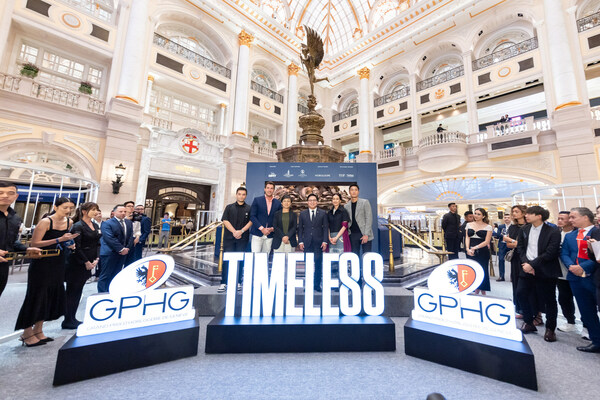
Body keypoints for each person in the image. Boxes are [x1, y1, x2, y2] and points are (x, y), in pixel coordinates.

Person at [15, 197, 78, 347]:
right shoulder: (46, 222)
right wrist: (59, 239)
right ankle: (26, 332)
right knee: (36, 296)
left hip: (58, 261)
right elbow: (35, 243)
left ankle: (39, 330)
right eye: (65, 207)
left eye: (71, 208)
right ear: (56, 207)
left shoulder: (70, 222)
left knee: (49, 295)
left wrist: (69, 243)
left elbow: (64, 240)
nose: (68, 211)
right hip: (41, 263)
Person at [516, 206, 561, 342]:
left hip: (545, 269)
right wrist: (526, 263)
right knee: (520, 294)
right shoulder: (524, 229)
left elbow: (551, 252)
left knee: (549, 300)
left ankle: (550, 329)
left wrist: (533, 264)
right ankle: (529, 322)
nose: (526, 216)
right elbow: (520, 247)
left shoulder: (553, 231)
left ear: (539, 216)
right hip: (526, 268)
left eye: (530, 214)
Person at [560, 207, 600, 353]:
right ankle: (596, 341)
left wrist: (583, 267)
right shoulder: (570, 236)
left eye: (573, 217)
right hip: (575, 278)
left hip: (594, 276)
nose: (570, 220)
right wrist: (571, 266)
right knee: (586, 310)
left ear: (585, 217)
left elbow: (597, 255)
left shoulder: (597, 232)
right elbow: (564, 252)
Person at [0, 182, 41, 299]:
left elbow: (12, 241)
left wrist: (27, 248)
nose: (5, 196)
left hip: (3, 266)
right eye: (0, 193)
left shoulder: (15, 218)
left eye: (10, 193)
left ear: (16, 196)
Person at [63, 202, 101, 329]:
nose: (96, 212)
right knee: (72, 291)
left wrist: (96, 258)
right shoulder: (78, 226)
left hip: (90, 261)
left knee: (78, 290)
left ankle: (72, 317)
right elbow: (77, 247)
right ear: (84, 211)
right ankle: (68, 319)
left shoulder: (95, 225)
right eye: (93, 209)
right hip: (77, 263)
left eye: (97, 209)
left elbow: (97, 244)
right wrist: (86, 261)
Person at [219, 187, 252, 293]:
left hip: (242, 238)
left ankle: (238, 282)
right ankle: (224, 283)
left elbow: (251, 222)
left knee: (240, 260)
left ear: (245, 196)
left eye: (243, 194)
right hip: (229, 238)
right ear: (236, 195)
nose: (241, 196)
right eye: (239, 194)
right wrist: (234, 232)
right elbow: (225, 220)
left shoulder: (249, 208)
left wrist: (241, 231)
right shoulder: (229, 207)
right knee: (226, 260)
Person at [97, 205, 133, 293]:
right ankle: (102, 294)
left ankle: (112, 291)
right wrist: (121, 249)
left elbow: (130, 237)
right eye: (121, 211)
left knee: (116, 274)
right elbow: (109, 238)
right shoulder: (107, 223)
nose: (123, 213)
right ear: (114, 212)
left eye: (125, 211)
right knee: (105, 275)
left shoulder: (128, 222)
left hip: (123, 253)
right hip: (110, 252)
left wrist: (127, 248)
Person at [298, 194, 328, 291]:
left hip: (319, 243)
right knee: (308, 265)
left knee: (318, 265)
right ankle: (308, 285)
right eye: (310, 200)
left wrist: (325, 241)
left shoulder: (323, 213)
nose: (312, 202)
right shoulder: (302, 214)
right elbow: (300, 229)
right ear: (307, 202)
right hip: (307, 243)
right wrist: (300, 241)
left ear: (317, 202)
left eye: (314, 200)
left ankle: (317, 285)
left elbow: (325, 228)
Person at [556, 211, 577, 333]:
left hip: (575, 271)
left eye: (562, 219)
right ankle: (570, 321)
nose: (559, 221)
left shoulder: (576, 234)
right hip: (560, 272)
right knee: (564, 298)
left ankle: (586, 326)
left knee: (581, 299)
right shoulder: (556, 234)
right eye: (558, 218)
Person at [504, 205, 527, 317]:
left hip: (529, 258)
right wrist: (514, 242)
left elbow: (528, 244)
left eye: (516, 211)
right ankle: (519, 309)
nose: (514, 214)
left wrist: (513, 241)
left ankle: (532, 311)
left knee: (528, 285)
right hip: (516, 257)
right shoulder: (513, 228)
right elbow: (508, 245)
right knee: (516, 283)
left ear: (523, 213)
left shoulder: (530, 226)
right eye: (513, 211)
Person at [465, 208, 493, 295]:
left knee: (482, 270)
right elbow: (467, 237)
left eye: (478, 214)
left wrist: (475, 248)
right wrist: (467, 248)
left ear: (483, 216)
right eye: (475, 213)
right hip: (470, 251)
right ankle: (475, 290)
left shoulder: (488, 227)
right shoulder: (468, 225)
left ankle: (483, 291)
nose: (476, 215)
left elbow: (487, 241)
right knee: (472, 270)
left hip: (482, 251)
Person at [249, 181, 282, 253]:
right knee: (255, 256)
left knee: (265, 257)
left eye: (271, 188)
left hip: (270, 235)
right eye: (268, 188)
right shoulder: (257, 200)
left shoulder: (278, 203)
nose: (269, 190)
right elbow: (252, 216)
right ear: (264, 189)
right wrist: (262, 228)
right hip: (257, 233)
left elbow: (279, 219)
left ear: (274, 190)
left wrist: (273, 228)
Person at [344, 184, 373, 258]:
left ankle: (366, 270)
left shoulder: (365, 202)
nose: (354, 192)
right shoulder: (346, 206)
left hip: (364, 233)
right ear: (349, 192)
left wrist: (366, 234)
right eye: (352, 190)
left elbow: (369, 218)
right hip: (353, 234)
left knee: (367, 257)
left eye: (355, 190)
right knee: (354, 256)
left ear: (358, 192)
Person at [493, 214, 511, 281]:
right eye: (505, 217)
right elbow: (497, 235)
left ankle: (512, 277)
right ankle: (501, 276)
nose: (506, 219)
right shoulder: (501, 226)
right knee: (501, 260)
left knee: (513, 261)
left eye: (508, 218)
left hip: (511, 245)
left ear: (511, 218)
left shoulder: (513, 226)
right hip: (502, 245)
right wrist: (503, 236)